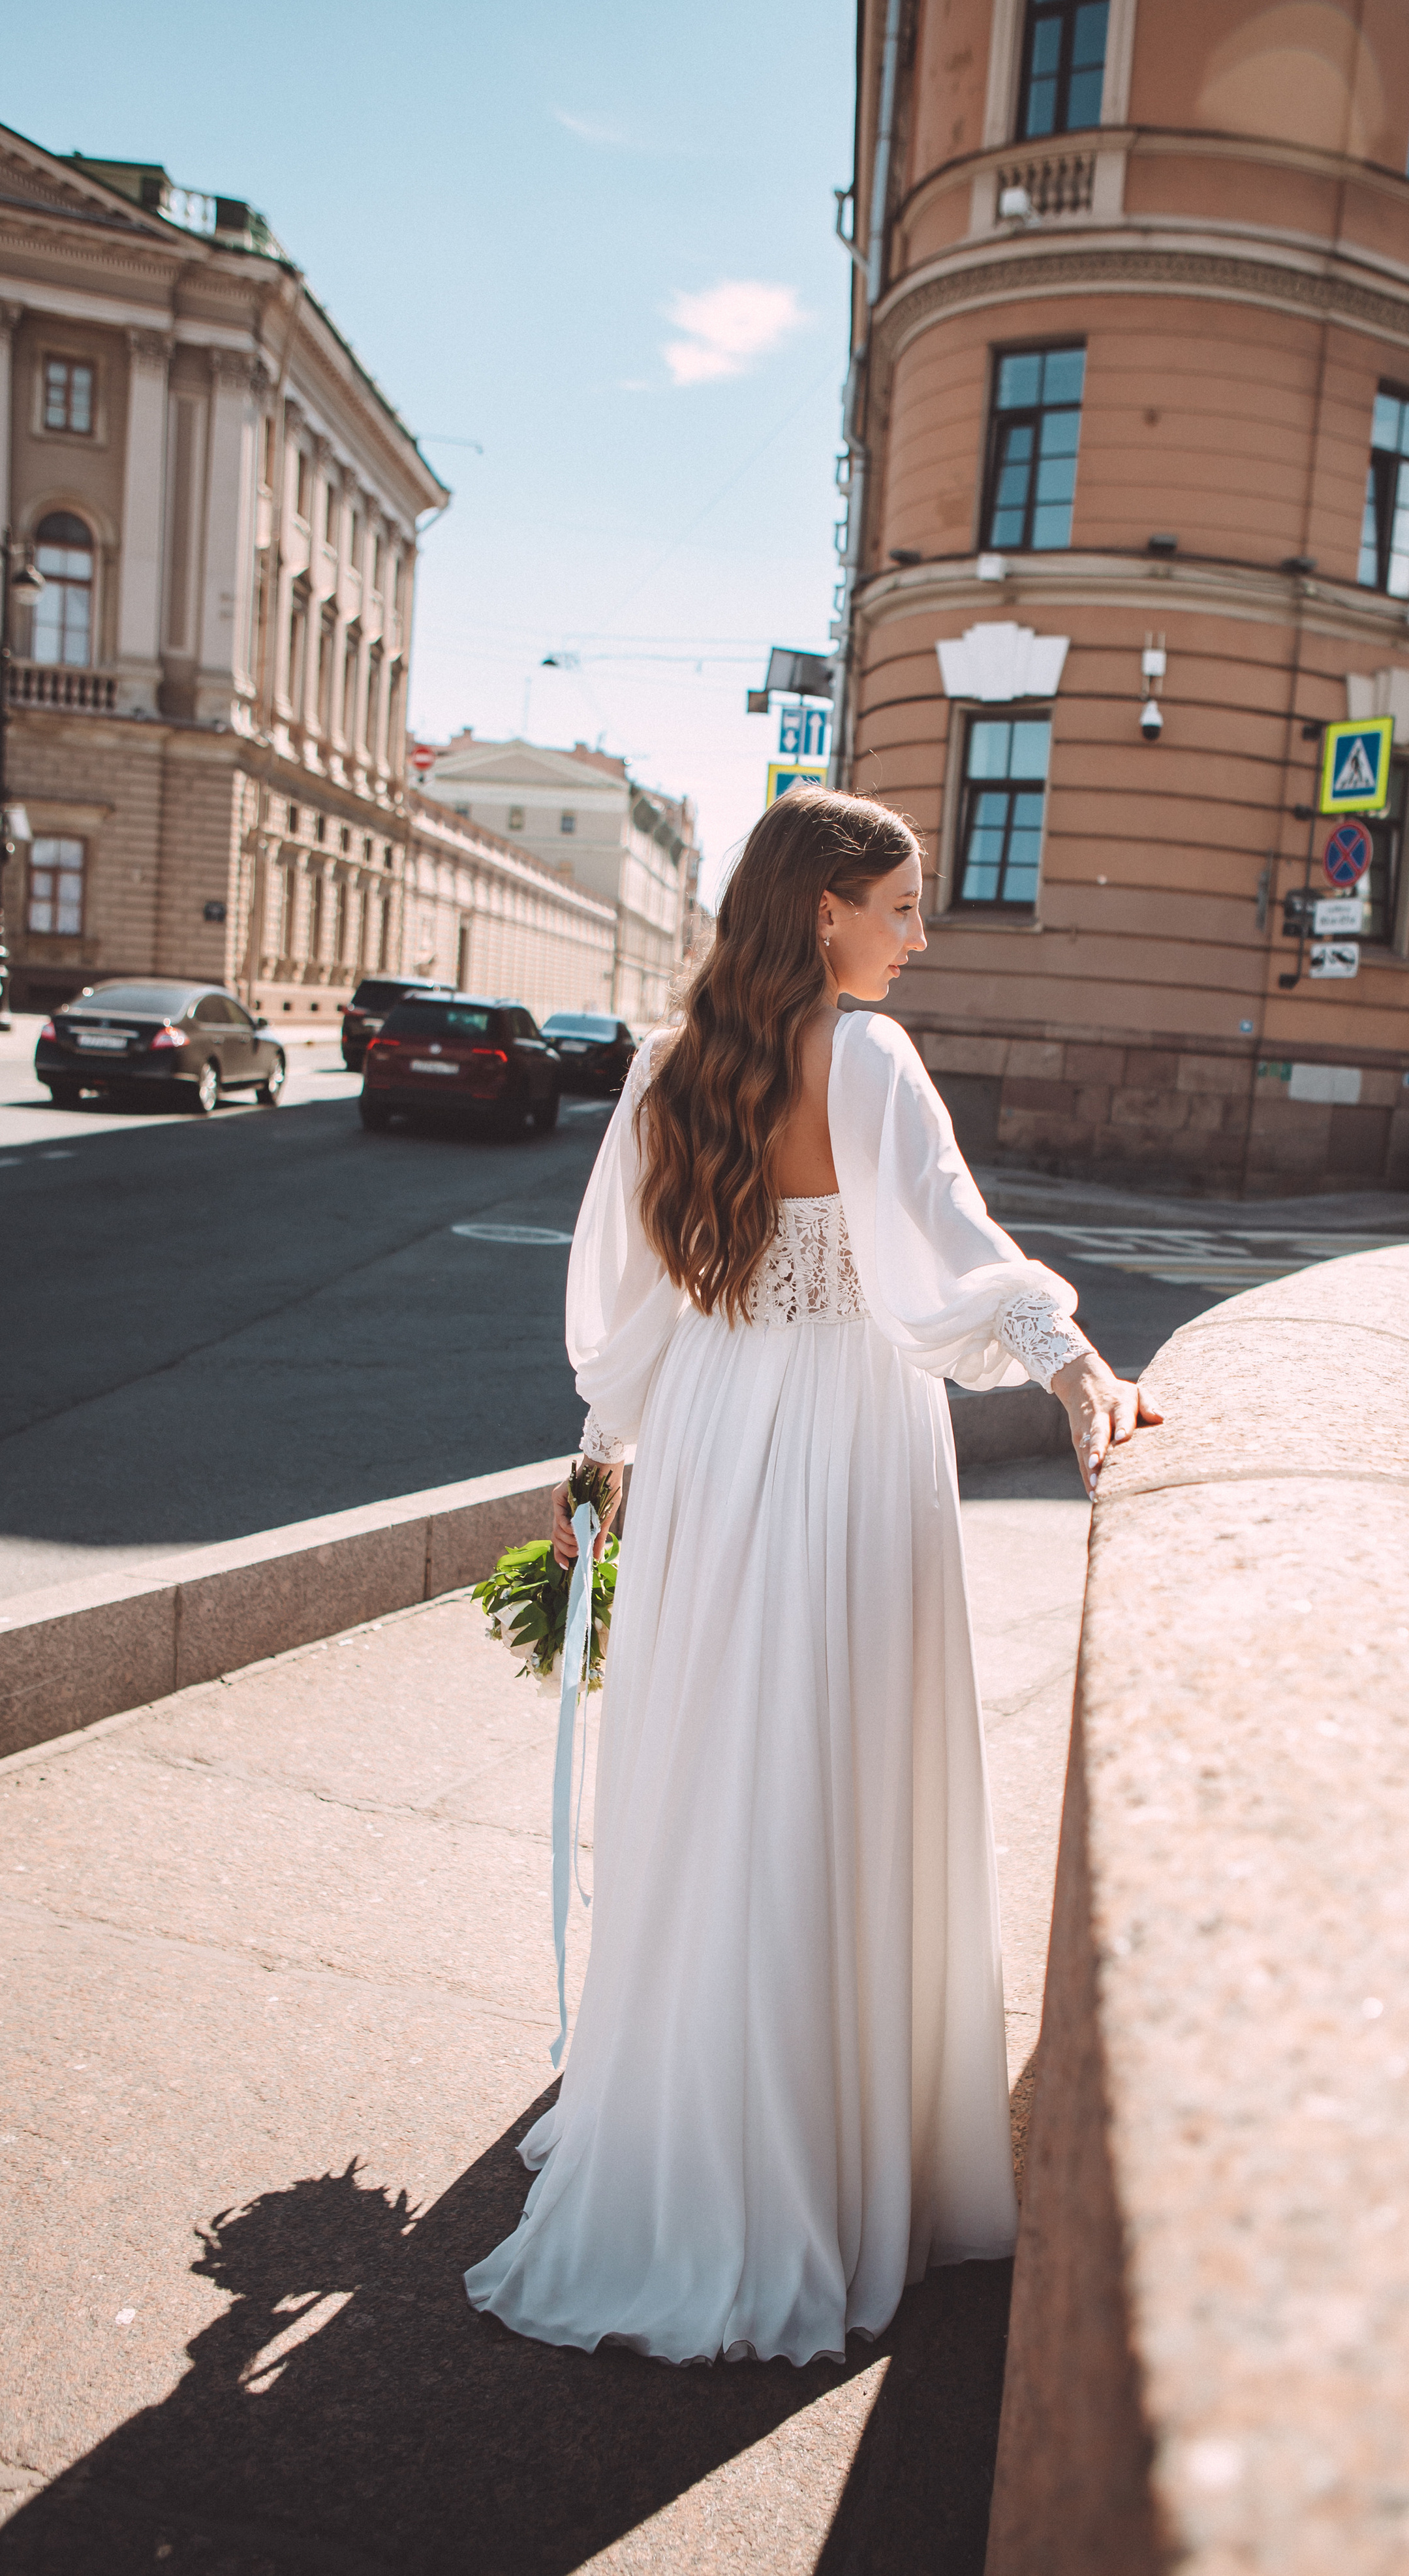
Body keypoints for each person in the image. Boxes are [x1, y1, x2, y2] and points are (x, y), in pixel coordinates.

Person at [463, 785, 1159, 2367]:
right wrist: (1073, 1369)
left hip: (707, 1442)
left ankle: (690, 2119)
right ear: (825, 907)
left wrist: (598, 1469)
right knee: (836, 1766)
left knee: (712, 1765)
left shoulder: (666, 1062)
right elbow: (949, 1252)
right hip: (845, 1438)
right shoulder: (864, 1055)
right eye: (900, 905)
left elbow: (624, 1318)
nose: (919, 936)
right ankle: (832, 2149)